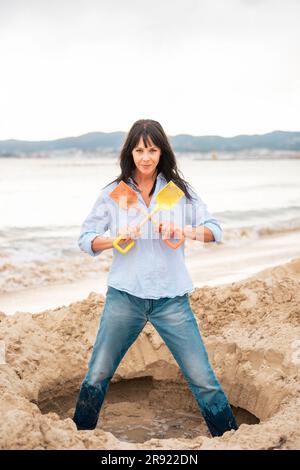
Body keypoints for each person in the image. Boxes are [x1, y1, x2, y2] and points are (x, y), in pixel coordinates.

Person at [72, 119, 238, 437]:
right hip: (124, 297)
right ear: (130, 153)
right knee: (97, 374)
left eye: (152, 149)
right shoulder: (115, 193)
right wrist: (114, 239)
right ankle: (79, 438)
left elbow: (215, 230)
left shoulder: (177, 192)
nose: (145, 157)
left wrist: (183, 230)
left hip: (171, 299)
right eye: (139, 150)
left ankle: (230, 438)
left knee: (203, 379)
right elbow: (85, 238)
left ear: (162, 152)